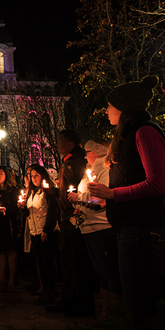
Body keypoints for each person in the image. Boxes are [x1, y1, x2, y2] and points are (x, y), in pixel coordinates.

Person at [88, 76, 165, 326]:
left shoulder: (145, 132)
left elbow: (157, 182)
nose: (107, 110)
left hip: (141, 231)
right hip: (128, 229)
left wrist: (113, 194)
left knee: (140, 303)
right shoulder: (129, 135)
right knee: (134, 301)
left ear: (123, 108)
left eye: (110, 105)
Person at [67, 139, 121, 327]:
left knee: (109, 272)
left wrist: (80, 198)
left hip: (101, 227)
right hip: (88, 226)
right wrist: (76, 199)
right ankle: (106, 312)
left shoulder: (104, 169)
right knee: (100, 272)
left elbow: (101, 199)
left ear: (97, 152)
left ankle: (114, 315)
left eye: (87, 150)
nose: (84, 154)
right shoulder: (89, 171)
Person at [48, 130, 95, 317]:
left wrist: (69, 201)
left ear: (69, 144)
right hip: (66, 215)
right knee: (68, 261)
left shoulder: (77, 162)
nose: (57, 144)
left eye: (60, 141)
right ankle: (69, 299)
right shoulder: (68, 160)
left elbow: (81, 187)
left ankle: (80, 302)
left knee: (77, 261)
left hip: (74, 216)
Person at [21, 165, 59, 305]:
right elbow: (28, 213)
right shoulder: (31, 192)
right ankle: (45, 291)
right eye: (32, 176)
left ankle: (51, 291)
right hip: (34, 231)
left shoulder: (47, 190)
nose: (34, 178)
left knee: (48, 262)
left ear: (42, 175)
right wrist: (23, 208)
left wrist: (46, 230)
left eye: (36, 175)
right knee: (41, 263)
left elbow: (52, 211)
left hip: (45, 231)